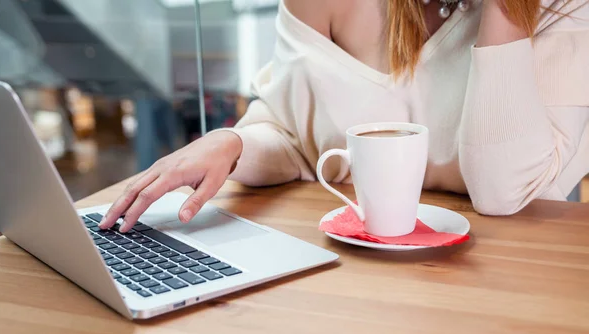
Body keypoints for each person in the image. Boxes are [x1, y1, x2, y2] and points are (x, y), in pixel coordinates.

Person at [101, 0, 589, 233]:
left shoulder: (565, 10)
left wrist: (508, 11)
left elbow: (504, 193)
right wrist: (233, 145)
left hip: (507, 286)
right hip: (342, 279)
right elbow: (296, 137)